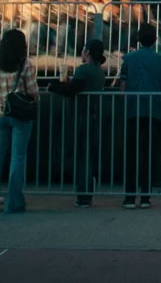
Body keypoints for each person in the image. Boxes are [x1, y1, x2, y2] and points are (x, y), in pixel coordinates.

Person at [0, 29, 39, 213]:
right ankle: (14, 202)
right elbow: (33, 91)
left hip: (0, 113)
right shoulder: (26, 65)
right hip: (20, 116)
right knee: (17, 157)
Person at [49, 39, 107, 208]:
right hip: (93, 115)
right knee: (87, 155)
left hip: (81, 116)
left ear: (87, 52)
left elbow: (72, 89)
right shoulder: (99, 71)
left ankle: (83, 194)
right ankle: (87, 191)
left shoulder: (83, 70)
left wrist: (53, 87)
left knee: (81, 156)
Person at [119, 23, 161, 208]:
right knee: (149, 153)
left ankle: (130, 197)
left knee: (131, 154)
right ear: (155, 40)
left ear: (138, 39)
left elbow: (123, 87)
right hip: (154, 110)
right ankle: (146, 197)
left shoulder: (129, 58)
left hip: (133, 109)